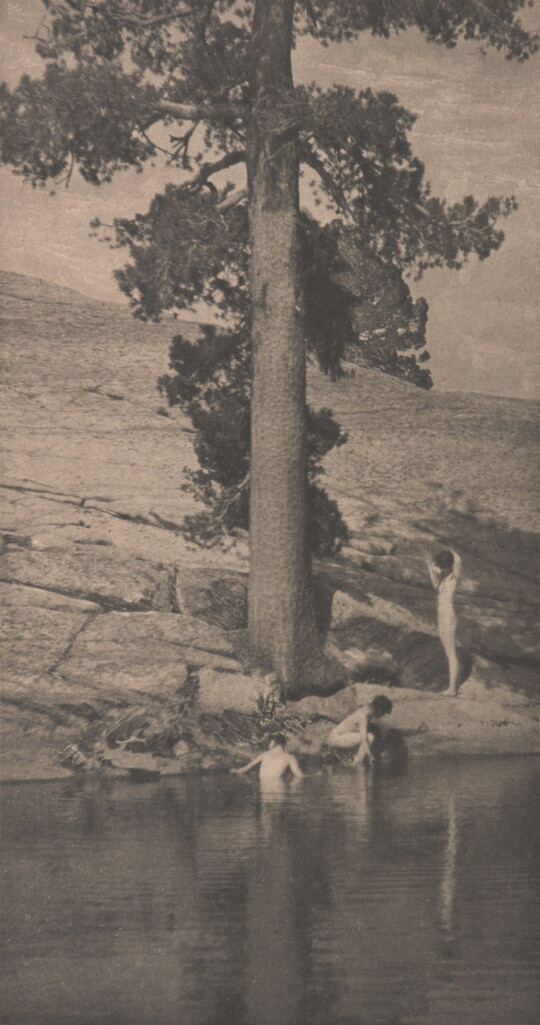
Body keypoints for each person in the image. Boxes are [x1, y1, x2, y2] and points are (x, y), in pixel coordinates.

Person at [427, 547, 462, 696]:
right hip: (442, 616)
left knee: (451, 654)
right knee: (448, 652)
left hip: (449, 616)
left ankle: (452, 689)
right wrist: (430, 564)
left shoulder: (454, 578)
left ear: (448, 566)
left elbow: (458, 560)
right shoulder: (441, 581)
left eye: (442, 568)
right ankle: (452, 686)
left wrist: (450, 548)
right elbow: (431, 568)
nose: (439, 570)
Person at [327, 694, 393, 766]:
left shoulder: (365, 708)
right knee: (370, 737)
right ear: (380, 711)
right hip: (335, 738)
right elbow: (364, 739)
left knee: (367, 736)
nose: (381, 716)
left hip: (335, 737)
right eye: (383, 714)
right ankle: (356, 764)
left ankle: (353, 761)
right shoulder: (363, 716)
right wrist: (370, 756)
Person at [230, 733, 304, 781]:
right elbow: (300, 776)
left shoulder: (264, 754)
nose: (267, 745)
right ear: (283, 744)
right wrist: (314, 775)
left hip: (263, 789)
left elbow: (244, 769)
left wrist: (235, 771)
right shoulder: (289, 757)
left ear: (273, 744)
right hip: (278, 787)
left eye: (268, 743)